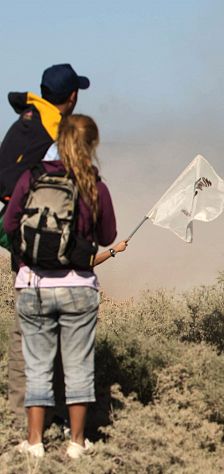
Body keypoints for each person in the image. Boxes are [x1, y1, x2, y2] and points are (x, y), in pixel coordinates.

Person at [4, 114, 121, 459]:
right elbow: (108, 236)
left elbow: (9, 223)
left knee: (37, 366)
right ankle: (77, 443)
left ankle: (34, 443)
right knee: (78, 366)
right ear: (92, 145)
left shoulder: (32, 177)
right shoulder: (95, 186)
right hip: (78, 287)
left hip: (33, 284)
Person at [0, 64, 91, 427]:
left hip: (24, 239)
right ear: (73, 96)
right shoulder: (57, 131)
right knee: (62, 332)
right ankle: (55, 418)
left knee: (27, 329)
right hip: (59, 250)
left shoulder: (25, 120)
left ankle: (20, 418)